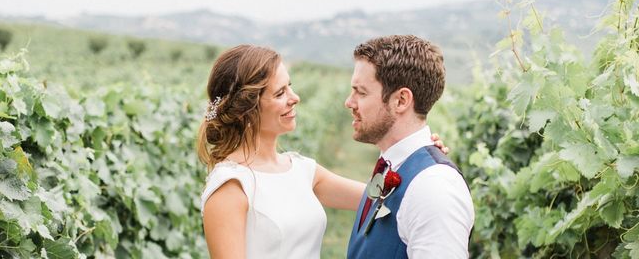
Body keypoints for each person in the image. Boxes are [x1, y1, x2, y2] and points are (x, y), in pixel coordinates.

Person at [198, 44, 449, 258]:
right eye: (280, 93)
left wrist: (419, 157)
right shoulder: (231, 186)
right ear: (247, 108)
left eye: (290, 86)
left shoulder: (302, 170)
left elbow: (386, 198)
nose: (294, 97)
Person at [345, 34, 474, 258]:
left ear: (401, 100)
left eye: (361, 92)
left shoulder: (434, 188)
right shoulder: (393, 164)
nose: (349, 102)